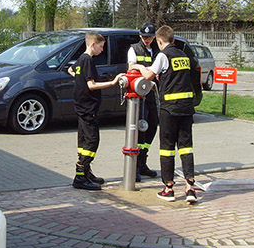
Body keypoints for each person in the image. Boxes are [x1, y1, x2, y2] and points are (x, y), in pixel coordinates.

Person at [135, 25, 197, 203]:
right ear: (174, 40)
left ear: (160, 41)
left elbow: (148, 75)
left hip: (169, 108)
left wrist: (138, 67)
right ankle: (190, 188)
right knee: (186, 146)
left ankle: (168, 188)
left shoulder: (163, 55)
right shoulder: (183, 56)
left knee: (167, 148)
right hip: (187, 108)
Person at [68, 32, 124, 191]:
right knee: (92, 140)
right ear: (93, 44)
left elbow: (71, 71)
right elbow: (91, 85)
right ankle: (80, 176)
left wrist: (79, 81)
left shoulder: (81, 59)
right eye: (101, 46)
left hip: (82, 106)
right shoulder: (87, 60)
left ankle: (86, 172)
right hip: (87, 108)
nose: (102, 49)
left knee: (84, 140)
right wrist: (112, 82)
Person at [127, 22, 159, 181]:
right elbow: (131, 66)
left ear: (154, 37)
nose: (146, 40)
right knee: (141, 128)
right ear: (140, 36)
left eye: (149, 37)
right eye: (144, 37)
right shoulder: (134, 49)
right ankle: (136, 166)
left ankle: (143, 161)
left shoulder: (158, 49)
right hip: (140, 95)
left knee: (153, 125)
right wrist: (141, 68)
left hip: (153, 93)